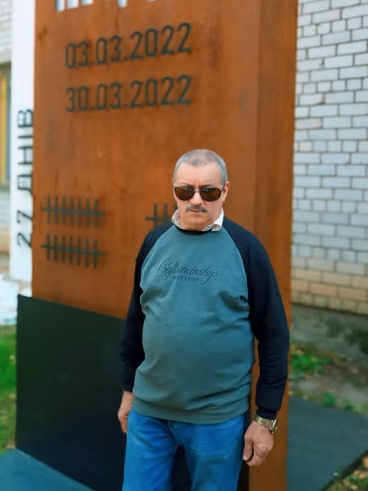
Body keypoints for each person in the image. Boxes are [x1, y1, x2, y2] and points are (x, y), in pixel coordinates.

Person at [118, 148, 290, 490]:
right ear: (174, 190)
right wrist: (128, 390)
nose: (196, 200)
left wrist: (265, 417)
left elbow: (274, 336)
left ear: (225, 191)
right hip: (149, 412)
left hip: (217, 419)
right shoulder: (154, 242)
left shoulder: (246, 250)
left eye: (208, 191)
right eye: (186, 191)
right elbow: (137, 321)